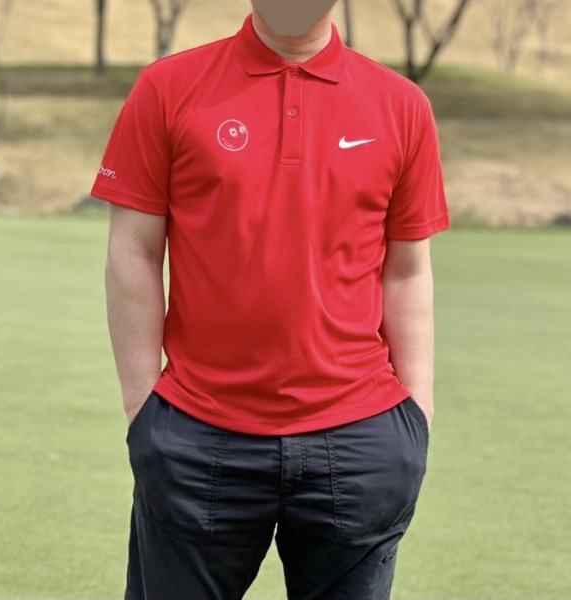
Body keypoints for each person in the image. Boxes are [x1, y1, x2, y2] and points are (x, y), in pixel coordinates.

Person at [91, 1, 449, 598]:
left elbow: (407, 272)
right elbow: (133, 252)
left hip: (359, 439)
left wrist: (417, 419)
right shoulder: (167, 88)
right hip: (198, 432)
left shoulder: (401, 104)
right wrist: (141, 408)